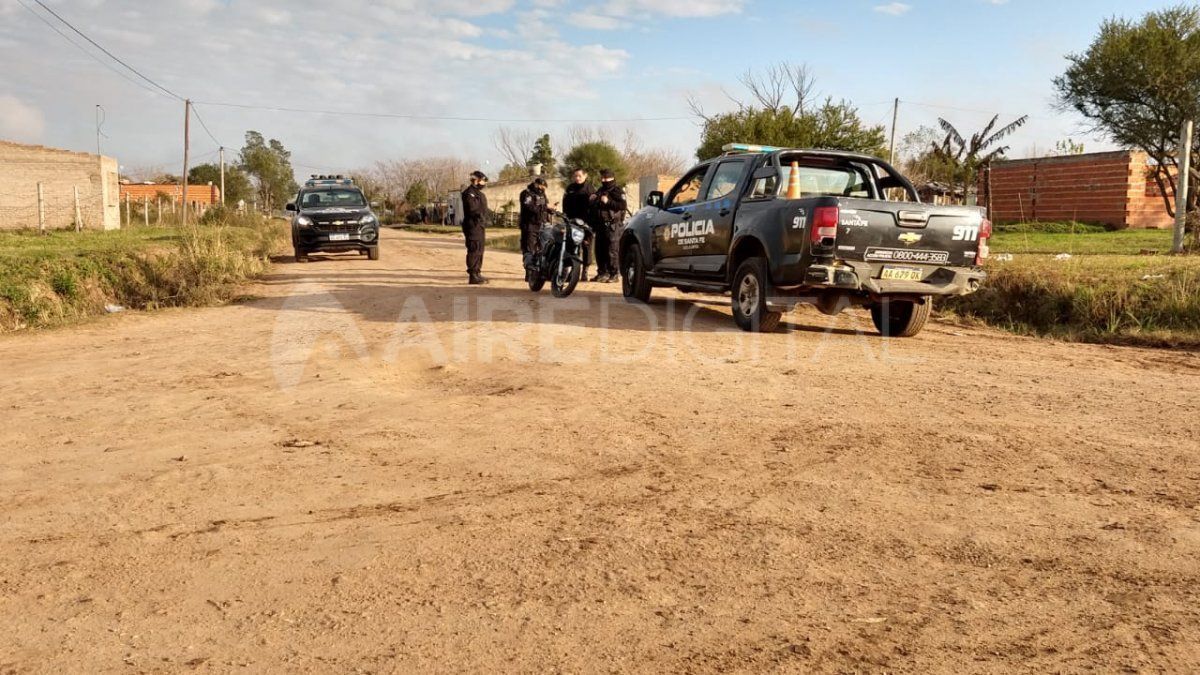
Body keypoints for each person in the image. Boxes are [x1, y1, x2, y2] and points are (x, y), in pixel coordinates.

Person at [592, 168, 627, 283]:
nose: (604, 180)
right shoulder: (601, 190)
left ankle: (614, 274)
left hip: (612, 224)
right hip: (600, 224)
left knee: (612, 250)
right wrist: (593, 199)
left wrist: (608, 202)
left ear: (612, 178)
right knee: (599, 250)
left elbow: (622, 205)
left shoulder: (617, 191)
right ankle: (602, 272)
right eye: (602, 178)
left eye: (606, 178)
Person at [562, 168, 594, 281]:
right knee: (571, 246)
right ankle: (571, 272)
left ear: (585, 176)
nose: (577, 178)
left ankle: (585, 271)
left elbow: (593, 207)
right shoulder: (570, 188)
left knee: (586, 247)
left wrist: (590, 224)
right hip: (571, 222)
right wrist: (565, 217)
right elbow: (565, 204)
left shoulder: (590, 189)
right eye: (575, 176)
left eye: (579, 176)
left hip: (586, 224)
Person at [461, 171, 490, 285]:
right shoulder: (469, 193)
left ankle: (477, 272)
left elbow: (484, 209)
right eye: (483, 181)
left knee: (480, 250)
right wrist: (480, 215)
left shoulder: (480, 194)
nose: (484, 183)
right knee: (474, 249)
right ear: (476, 180)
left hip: (480, 225)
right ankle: (472, 275)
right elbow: (472, 209)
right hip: (472, 225)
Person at [518, 177, 550, 259]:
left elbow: (544, 206)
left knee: (543, 249)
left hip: (542, 224)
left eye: (544, 188)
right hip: (529, 225)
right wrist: (545, 208)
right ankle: (529, 269)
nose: (542, 189)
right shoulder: (526, 193)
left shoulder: (542, 194)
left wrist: (550, 209)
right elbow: (530, 207)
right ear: (536, 184)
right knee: (529, 249)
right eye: (541, 187)